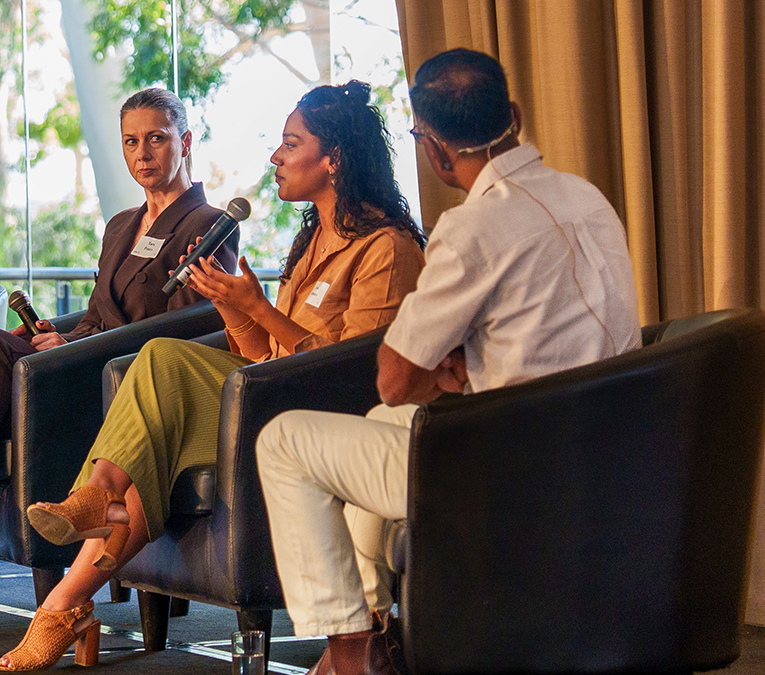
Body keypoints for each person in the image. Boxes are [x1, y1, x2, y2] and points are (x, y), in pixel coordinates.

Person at [0, 80, 428, 672]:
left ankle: (74, 577)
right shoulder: (310, 238)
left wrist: (258, 307)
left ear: (334, 160)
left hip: (320, 422)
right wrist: (227, 302)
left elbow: (356, 370)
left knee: (163, 364)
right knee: (159, 367)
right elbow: (261, 351)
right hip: (263, 398)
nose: (274, 157)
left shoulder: (385, 247)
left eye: (289, 144)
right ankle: (87, 543)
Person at [256, 48, 643, 675]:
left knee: (285, 441)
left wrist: (443, 366)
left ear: (433, 150)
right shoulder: (588, 198)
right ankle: (377, 632)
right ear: (512, 116)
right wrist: (464, 362)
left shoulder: (472, 228)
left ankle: (347, 659)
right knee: (379, 423)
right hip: (606, 438)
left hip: (507, 461)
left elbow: (396, 375)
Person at [0, 88, 240, 631]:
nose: (143, 153)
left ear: (186, 142)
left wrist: (80, 346)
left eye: (157, 138)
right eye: (131, 141)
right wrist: (63, 336)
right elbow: (97, 312)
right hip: (79, 355)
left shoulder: (207, 224)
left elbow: (183, 328)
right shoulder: (121, 225)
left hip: (121, 377)